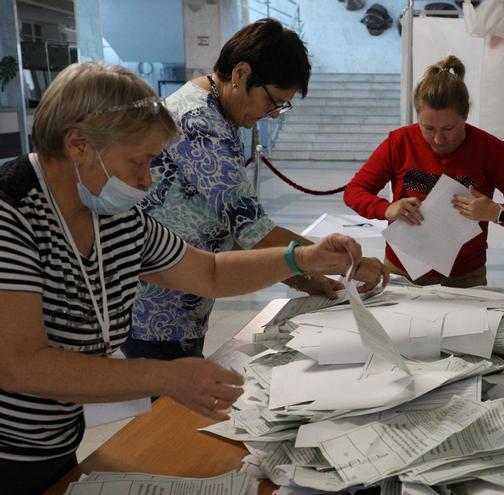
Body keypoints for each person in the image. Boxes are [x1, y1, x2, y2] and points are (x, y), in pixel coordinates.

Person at [0, 62, 375, 494]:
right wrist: (167, 377)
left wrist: (302, 257)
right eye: (138, 162)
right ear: (79, 144)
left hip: (53, 441)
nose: (145, 181)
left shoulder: (113, 214)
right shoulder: (13, 213)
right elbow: (19, 364)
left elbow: (208, 272)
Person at [126, 18, 388, 361]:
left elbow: (227, 226)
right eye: (273, 101)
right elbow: (254, 231)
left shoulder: (220, 114)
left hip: (184, 302)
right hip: (159, 311)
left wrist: (302, 278)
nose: (275, 114)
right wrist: (350, 263)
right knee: (169, 411)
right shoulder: (198, 123)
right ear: (241, 73)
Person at [344, 55, 504, 288]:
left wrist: (497, 213)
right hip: (402, 270)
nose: (438, 139)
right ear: (417, 116)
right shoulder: (400, 142)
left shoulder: (490, 149)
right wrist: (387, 208)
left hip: (465, 276)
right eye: (427, 128)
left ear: (465, 116)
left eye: (449, 128)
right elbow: (354, 191)